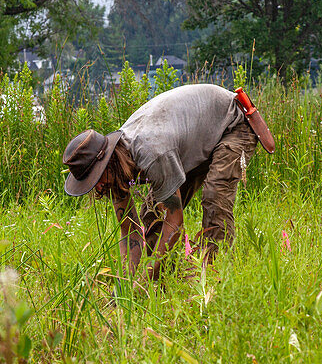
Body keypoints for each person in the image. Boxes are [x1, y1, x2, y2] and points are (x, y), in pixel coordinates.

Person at [63, 84, 274, 279]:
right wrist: (126, 284)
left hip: (232, 124)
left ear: (108, 163)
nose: (98, 187)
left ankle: (211, 277)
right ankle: (167, 281)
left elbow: (174, 222)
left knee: (214, 196)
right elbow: (130, 230)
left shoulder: (152, 152)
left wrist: (145, 279)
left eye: (96, 178)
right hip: (191, 139)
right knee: (151, 216)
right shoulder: (114, 172)